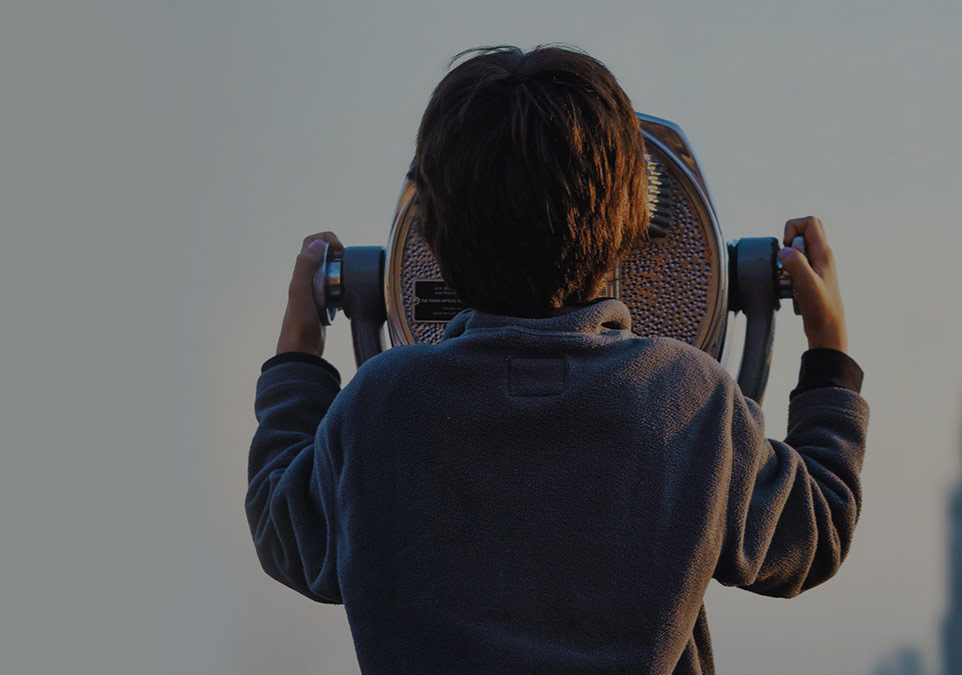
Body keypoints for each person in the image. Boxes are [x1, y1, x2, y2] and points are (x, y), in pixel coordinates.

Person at [246, 45, 868, 674]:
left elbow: (285, 533)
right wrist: (828, 350)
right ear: (632, 221)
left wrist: (299, 348)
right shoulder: (690, 400)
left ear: (427, 232)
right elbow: (818, 529)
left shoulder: (382, 405)